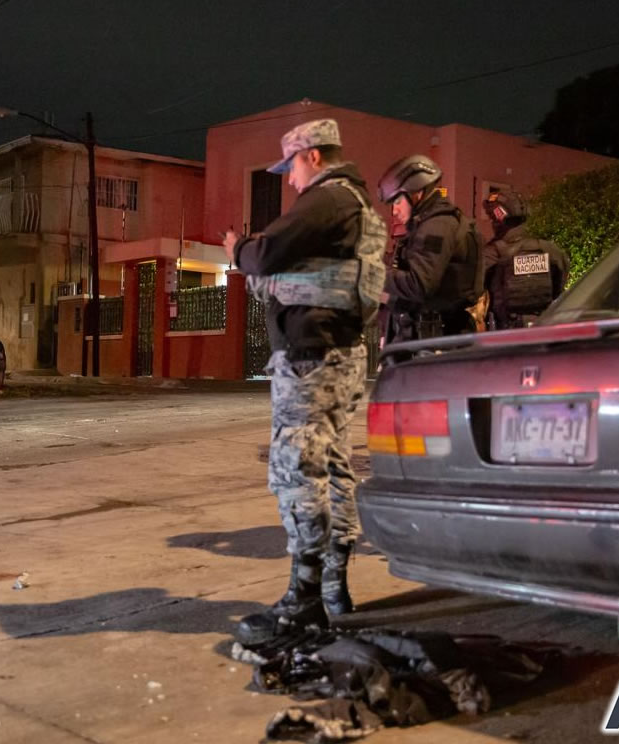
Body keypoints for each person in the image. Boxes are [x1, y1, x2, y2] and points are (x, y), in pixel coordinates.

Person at [222, 119, 386, 640]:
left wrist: (237, 249)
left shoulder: (329, 200)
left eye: (290, 167)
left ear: (312, 156)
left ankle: (305, 598)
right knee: (334, 467)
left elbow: (267, 253)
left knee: (297, 469)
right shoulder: (357, 206)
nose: (289, 180)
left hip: (313, 356)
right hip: (340, 352)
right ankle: (333, 587)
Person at [376, 155, 483, 344]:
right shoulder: (429, 223)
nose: (394, 211)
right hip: (428, 336)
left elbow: (419, 284)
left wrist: (372, 273)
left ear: (416, 193)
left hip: (432, 339)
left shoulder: (437, 226)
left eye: (398, 202)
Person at [481, 189, 567, 329]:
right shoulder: (550, 250)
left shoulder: (491, 254)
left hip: (506, 333)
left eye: (492, 218)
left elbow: (474, 289)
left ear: (498, 220)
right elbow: (559, 285)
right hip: (543, 329)